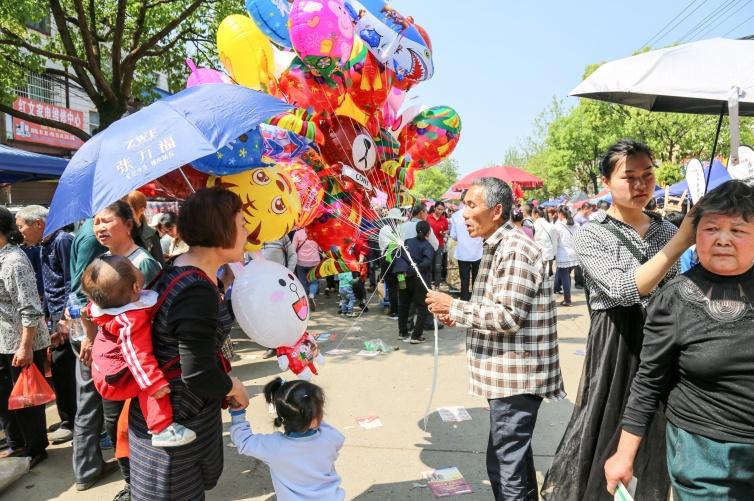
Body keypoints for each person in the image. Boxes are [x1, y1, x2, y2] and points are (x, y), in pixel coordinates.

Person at [541, 139, 694, 500]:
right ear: (606, 183)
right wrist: (681, 243)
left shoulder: (667, 231)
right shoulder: (591, 233)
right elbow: (626, 289)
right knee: (606, 436)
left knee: (658, 438)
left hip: (664, 344)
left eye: (648, 175)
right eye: (629, 177)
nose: (640, 185)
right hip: (618, 346)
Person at [605, 180, 754, 499]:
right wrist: (624, 455)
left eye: (738, 231)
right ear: (693, 234)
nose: (723, 239)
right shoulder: (674, 299)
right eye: (711, 228)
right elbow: (648, 382)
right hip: (707, 457)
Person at [426, 178, 565, 501]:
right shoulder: (498, 245)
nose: (464, 214)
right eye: (464, 206)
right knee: (513, 458)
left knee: (505, 466)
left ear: (497, 210)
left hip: (517, 377)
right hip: (509, 376)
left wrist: (455, 306)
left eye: (472, 206)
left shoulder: (515, 248)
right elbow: (495, 306)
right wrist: (457, 314)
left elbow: (507, 315)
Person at [128, 187, 250, 501]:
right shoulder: (196, 289)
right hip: (175, 423)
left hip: (168, 414)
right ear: (219, 227)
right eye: (241, 222)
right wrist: (233, 387)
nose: (247, 231)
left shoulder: (179, 270)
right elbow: (198, 373)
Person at [81, 255, 196, 447]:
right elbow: (136, 355)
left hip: (106, 365)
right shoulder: (129, 320)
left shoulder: (113, 303)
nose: (137, 265)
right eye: (135, 267)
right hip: (114, 377)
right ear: (136, 288)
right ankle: (161, 428)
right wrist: (154, 384)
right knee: (148, 384)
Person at [92, 200, 163, 498]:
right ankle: (130, 481)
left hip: (135, 364)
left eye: (107, 221)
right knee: (114, 423)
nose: (100, 228)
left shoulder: (142, 264)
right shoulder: (104, 260)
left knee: (130, 426)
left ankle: (140, 483)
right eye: (96, 222)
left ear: (129, 223)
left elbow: (148, 318)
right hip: (111, 360)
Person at [15, 205, 77, 444]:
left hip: (66, 318)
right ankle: (67, 417)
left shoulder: (63, 241)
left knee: (64, 368)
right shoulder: (42, 245)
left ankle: (71, 420)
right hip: (53, 315)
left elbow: (72, 282)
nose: (20, 232)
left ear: (38, 224)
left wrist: (64, 318)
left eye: (21, 226)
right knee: (59, 367)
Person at [67, 217, 119, 493]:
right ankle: (87, 468)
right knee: (90, 400)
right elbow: (79, 289)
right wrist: (89, 334)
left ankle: (88, 466)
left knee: (89, 398)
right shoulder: (91, 237)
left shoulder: (86, 231)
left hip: (89, 327)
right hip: (91, 328)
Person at [230, 377, 345, 501]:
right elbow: (337, 439)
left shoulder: (274, 447)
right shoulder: (329, 437)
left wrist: (238, 412)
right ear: (316, 417)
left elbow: (244, 441)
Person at [0, 207, 51, 468]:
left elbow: (30, 308)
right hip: (4, 341)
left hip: (21, 343)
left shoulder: (14, 262)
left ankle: (35, 448)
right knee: (6, 397)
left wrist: (25, 347)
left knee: (27, 399)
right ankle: (17, 443)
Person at [393, 220, 434, 344]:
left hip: (401, 276)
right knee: (422, 306)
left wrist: (405, 271)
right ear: (429, 232)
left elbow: (398, 254)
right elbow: (426, 262)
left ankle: (402, 332)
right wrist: (412, 270)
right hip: (417, 279)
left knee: (403, 304)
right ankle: (416, 335)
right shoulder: (427, 246)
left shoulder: (407, 242)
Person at [449, 194, 482, 302]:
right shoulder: (478, 214)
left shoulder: (456, 215)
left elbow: (453, 235)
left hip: (463, 252)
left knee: (464, 280)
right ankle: (476, 301)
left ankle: (464, 301)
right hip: (478, 251)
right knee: (477, 280)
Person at [125, 191, 164, 265]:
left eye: (129, 209)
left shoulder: (151, 234)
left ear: (142, 210)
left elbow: (160, 265)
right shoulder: (119, 232)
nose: (125, 213)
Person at [378, 208, 404, 319]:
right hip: (401, 262)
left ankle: (395, 311)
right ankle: (402, 310)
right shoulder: (401, 228)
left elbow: (382, 246)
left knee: (393, 287)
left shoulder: (384, 229)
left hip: (388, 262)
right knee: (402, 286)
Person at [553, 207, 579, 306]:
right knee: (564, 275)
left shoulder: (558, 225)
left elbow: (555, 241)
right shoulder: (576, 224)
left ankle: (567, 300)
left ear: (560, 214)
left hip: (563, 254)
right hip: (574, 254)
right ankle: (556, 289)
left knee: (565, 278)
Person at [292, 228, 321, 312]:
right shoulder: (317, 232)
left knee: (302, 282)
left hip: (301, 262)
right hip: (314, 261)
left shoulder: (297, 233)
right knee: (314, 281)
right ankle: (311, 295)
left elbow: (293, 249)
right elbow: (320, 249)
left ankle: (304, 303)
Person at [427, 201, 449, 288]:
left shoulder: (444, 219)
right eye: (438, 209)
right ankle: (428, 285)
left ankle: (437, 286)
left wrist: (444, 233)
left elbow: (447, 230)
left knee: (438, 266)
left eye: (442, 210)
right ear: (434, 208)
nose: (440, 211)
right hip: (428, 245)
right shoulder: (428, 217)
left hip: (440, 244)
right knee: (428, 265)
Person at [532, 207, 557, 276]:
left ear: (536, 214)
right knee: (546, 275)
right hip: (549, 253)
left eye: (532, 214)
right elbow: (554, 241)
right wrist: (554, 253)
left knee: (538, 275)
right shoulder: (551, 226)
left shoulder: (534, 225)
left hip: (537, 253)